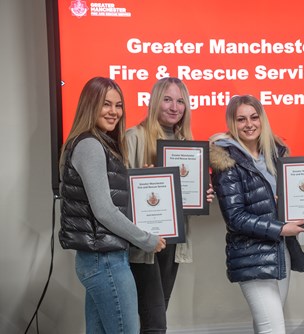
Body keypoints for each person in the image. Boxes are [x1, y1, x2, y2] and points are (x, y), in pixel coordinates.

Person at [58, 77, 166, 333]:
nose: (114, 112)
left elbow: (107, 196)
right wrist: (146, 240)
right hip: (105, 261)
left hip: (100, 259)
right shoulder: (90, 145)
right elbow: (104, 210)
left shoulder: (99, 143)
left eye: (118, 105)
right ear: (89, 105)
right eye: (106, 104)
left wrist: (143, 179)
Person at [209, 95, 304, 334]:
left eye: (254, 117)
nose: (249, 124)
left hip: (281, 250)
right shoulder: (226, 160)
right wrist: (280, 227)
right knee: (273, 329)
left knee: (265, 326)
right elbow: (235, 218)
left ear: (262, 119)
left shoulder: (275, 153)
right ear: (232, 123)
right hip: (251, 254)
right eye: (241, 119)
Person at [126, 77, 214, 333]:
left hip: (173, 243)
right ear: (154, 101)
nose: (174, 107)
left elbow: (183, 198)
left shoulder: (188, 145)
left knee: (157, 313)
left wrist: (200, 196)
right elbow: (116, 193)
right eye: (167, 99)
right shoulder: (134, 136)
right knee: (155, 324)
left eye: (180, 101)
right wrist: (143, 181)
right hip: (144, 243)